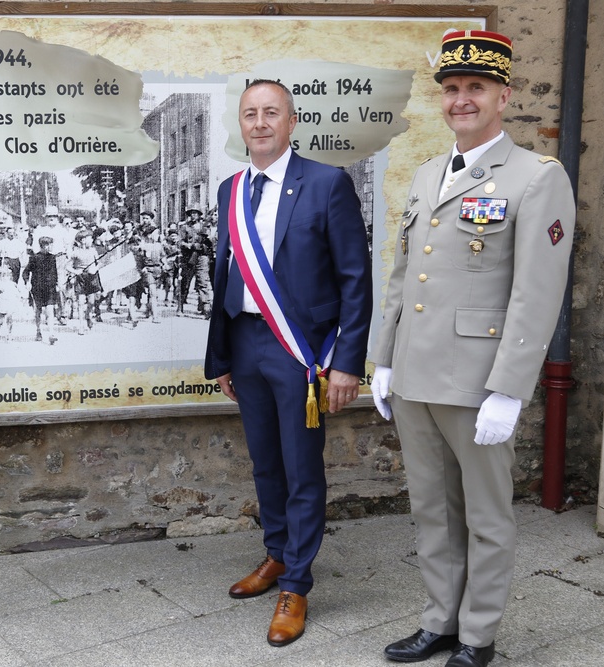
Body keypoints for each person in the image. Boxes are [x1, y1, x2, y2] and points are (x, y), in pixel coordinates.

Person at [370, 31, 576, 667]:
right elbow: (404, 274)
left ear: (503, 96)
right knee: (431, 509)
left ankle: (478, 635)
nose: (462, 100)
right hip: (414, 375)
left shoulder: (537, 177)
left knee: (487, 517)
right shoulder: (431, 173)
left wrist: (510, 387)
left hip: (477, 378)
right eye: (453, 90)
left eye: (476, 89)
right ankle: (439, 621)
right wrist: (384, 357)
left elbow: (537, 293)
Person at [204, 79, 372, 647]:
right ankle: (276, 555)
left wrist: (347, 364)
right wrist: (223, 355)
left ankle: (297, 584)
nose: (259, 123)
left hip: (300, 352)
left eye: (270, 113)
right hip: (247, 347)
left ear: (291, 121)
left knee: (302, 469)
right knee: (265, 463)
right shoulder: (231, 189)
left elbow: (356, 279)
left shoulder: (326, 183)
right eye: (250, 114)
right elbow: (224, 277)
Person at [22, 236, 60, 344]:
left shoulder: (52, 257)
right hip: (37, 288)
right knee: (38, 311)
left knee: (50, 311)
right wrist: (27, 282)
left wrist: (56, 283)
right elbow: (25, 272)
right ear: (44, 246)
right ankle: (38, 330)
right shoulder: (34, 257)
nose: (52, 247)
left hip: (50, 288)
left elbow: (54, 272)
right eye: (50, 245)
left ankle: (51, 333)